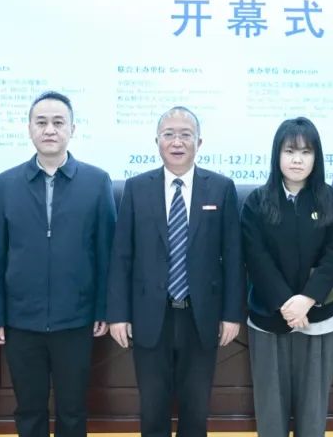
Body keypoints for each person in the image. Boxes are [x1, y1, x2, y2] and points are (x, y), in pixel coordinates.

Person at [0, 91, 116, 437]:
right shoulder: (7, 183)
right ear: (29, 128)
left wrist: (103, 308)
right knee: (29, 409)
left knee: (73, 409)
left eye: (58, 122)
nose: (50, 130)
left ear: (73, 129)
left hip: (76, 319)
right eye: (41, 122)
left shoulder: (96, 181)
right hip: (21, 319)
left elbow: (106, 252)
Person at [106, 106, 244, 437]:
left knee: (196, 410)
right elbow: (122, 256)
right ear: (157, 141)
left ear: (199, 142)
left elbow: (233, 256)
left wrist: (231, 314)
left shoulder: (221, 188)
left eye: (186, 135)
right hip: (150, 315)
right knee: (153, 409)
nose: (177, 142)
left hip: (201, 316)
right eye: (169, 134)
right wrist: (118, 315)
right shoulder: (136, 188)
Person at [241, 117, 333, 437]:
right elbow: (256, 258)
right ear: (277, 155)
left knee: (313, 412)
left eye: (306, 152)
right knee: (270, 411)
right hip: (268, 317)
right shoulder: (257, 202)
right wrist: (286, 303)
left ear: (317, 157)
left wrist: (306, 300)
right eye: (289, 151)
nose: (297, 159)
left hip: (319, 317)